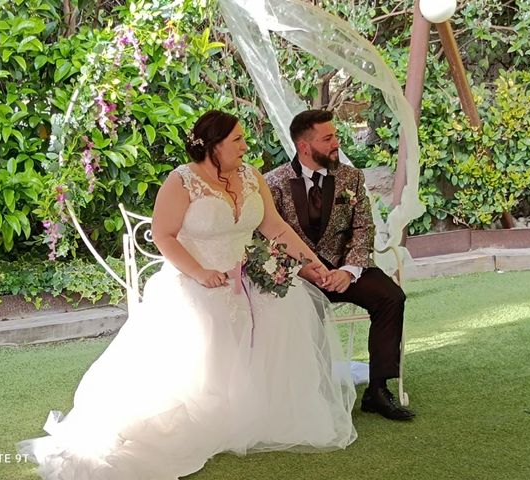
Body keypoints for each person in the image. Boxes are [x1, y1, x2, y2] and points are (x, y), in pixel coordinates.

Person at [18, 110, 357, 480]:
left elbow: (274, 226)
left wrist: (312, 263)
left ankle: (251, 412)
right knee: (206, 341)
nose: (246, 146)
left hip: (250, 279)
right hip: (198, 284)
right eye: (237, 141)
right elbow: (163, 235)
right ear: (213, 147)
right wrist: (200, 273)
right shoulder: (181, 182)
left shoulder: (250, 176)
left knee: (283, 315)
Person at [265, 109, 415, 421]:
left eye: (335, 136)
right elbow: (269, 240)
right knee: (297, 309)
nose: (337, 143)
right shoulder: (274, 184)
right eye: (328, 138)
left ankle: (378, 389)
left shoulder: (351, 177)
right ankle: (311, 391)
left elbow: (364, 229)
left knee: (391, 297)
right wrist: (302, 269)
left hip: (346, 269)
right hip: (300, 276)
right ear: (305, 147)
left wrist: (349, 271)